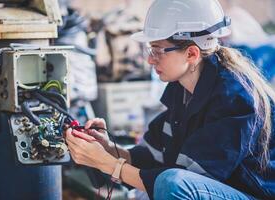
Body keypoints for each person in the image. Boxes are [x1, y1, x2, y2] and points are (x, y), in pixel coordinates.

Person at [65, 0, 275, 199]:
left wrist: (109, 165)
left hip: (253, 195)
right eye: (150, 50)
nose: (149, 59)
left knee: (170, 183)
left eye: (157, 50)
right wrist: (109, 149)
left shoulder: (235, 99)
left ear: (191, 54)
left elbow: (187, 184)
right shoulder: (181, 90)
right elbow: (150, 158)